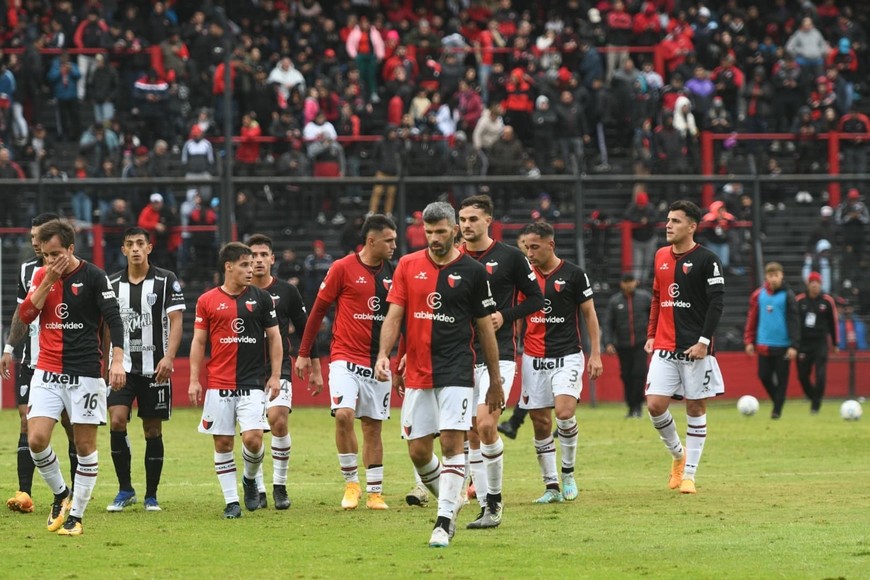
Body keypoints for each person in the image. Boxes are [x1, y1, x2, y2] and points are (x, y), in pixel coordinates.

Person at [374, 202, 503, 548]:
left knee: (451, 444)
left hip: (457, 370)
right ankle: (454, 496)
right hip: (417, 372)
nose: (433, 238)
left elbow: (485, 330)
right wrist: (384, 355)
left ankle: (444, 520)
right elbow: (394, 316)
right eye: (428, 232)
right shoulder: (407, 265)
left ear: (455, 231)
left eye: (441, 231)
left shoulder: (474, 273)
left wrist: (495, 380)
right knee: (418, 451)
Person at [435, 195, 541, 528]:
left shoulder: (510, 257)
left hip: (500, 356)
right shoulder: (450, 259)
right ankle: (484, 504)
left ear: (488, 221)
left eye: (472, 219)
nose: (466, 225)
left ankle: (493, 501)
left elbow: (537, 298)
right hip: (459, 357)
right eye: (462, 220)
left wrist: (504, 316)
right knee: (469, 434)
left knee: (484, 426)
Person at [17, 219, 126, 535]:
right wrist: (48, 280)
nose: (50, 261)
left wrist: (117, 360)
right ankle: (61, 494)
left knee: (84, 446)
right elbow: (26, 316)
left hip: (86, 374)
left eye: (56, 255)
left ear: (70, 249)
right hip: (47, 371)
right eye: (46, 255)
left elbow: (114, 320)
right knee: (36, 440)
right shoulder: (42, 276)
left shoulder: (93, 276)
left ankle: (76, 516)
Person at [296, 216, 397, 511]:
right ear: (371, 241)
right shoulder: (342, 268)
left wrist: (400, 357)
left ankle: (375, 493)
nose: (394, 245)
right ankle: (352, 484)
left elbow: (402, 319)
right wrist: (305, 352)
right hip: (344, 357)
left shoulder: (397, 271)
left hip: (379, 362)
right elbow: (317, 312)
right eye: (388, 240)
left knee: (373, 427)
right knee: (343, 415)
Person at [188, 242, 282, 519]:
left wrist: (275, 376)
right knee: (223, 444)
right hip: (219, 384)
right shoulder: (207, 301)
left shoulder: (262, 299)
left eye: (252, 263)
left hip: (252, 383)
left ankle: (250, 479)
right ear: (228, 267)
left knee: (253, 440)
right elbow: (199, 341)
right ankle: (231, 502)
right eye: (244, 264)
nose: (251, 269)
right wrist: (194, 379)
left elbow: (275, 338)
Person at [519, 221, 604, 504]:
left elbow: (590, 315)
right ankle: (551, 485)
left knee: (564, 413)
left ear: (550, 245)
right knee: (541, 423)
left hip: (567, 355)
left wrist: (595, 354)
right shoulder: (523, 276)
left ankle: (568, 473)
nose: (529, 253)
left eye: (535, 247)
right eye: (526, 247)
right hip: (532, 357)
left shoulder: (575, 274)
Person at [644, 200, 725, 495]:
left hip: (695, 348)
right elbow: (656, 296)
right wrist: (651, 333)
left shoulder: (708, 259)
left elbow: (717, 303)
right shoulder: (660, 256)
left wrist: (704, 342)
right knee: (654, 405)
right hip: (665, 345)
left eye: (676, 221)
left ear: (692, 226)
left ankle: (689, 475)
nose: (668, 225)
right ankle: (679, 456)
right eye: (668, 220)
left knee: (695, 405)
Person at [104, 228, 186, 512]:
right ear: (124, 250)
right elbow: (106, 326)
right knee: (116, 420)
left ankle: (151, 495)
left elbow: (176, 321)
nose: (136, 249)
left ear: (149, 248)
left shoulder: (166, 280)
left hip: (155, 368)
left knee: (152, 429)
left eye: (141, 243)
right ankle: (125, 489)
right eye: (130, 244)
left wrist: (170, 357)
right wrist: (109, 362)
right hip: (121, 368)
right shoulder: (111, 283)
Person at [1, 213, 77, 515]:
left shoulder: (78, 272)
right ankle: (25, 492)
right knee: (26, 421)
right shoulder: (27, 271)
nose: (35, 242)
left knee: (73, 427)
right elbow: (22, 313)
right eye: (33, 238)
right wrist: (9, 347)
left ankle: (74, 491)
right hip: (32, 359)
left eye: (40, 237)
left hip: (67, 362)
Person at [249, 234, 323, 510]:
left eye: (262, 254)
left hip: (279, 369)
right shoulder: (238, 293)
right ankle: (256, 487)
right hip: (245, 372)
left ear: (272, 259)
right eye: (252, 255)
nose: (257, 260)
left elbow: (305, 330)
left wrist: (315, 367)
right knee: (253, 433)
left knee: (278, 421)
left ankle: (279, 486)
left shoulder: (287, 292)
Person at [744, 262, 800, 419]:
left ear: (782, 275)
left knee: (782, 380)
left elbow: (794, 321)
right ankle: (778, 401)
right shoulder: (758, 295)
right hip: (764, 344)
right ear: (766, 277)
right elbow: (752, 318)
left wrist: (794, 345)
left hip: (783, 345)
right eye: (770, 275)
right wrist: (749, 340)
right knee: (764, 376)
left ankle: (777, 411)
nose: (773, 279)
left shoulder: (788, 295)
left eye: (776, 275)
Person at [605, 272, 652, 418]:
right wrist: (608, 342)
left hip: (641, 343)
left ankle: (638, 405)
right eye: (626, 282)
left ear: (635, 282)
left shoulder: (645, 298)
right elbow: (608, 323)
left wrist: (653, 337)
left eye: (631, 281)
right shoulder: (614, 301)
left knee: (639, 373)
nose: (629, 285)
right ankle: (631, 407)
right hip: (623, 344)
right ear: (621, 284)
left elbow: (654, 318)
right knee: (626, 375)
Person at [795, 272, 839, 414]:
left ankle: (815, 405)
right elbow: (793, 323)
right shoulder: (799, 300)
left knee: (820, 374)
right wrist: (793, 343)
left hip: (820, 343)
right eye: (812, 283)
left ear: (820, 285)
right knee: (802, 375)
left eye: (817, 283)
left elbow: (834, 323)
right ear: (808, 284)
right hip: (803, 344)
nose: (815, 286)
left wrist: (835, 343)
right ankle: (814, 397)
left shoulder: (827, 301)